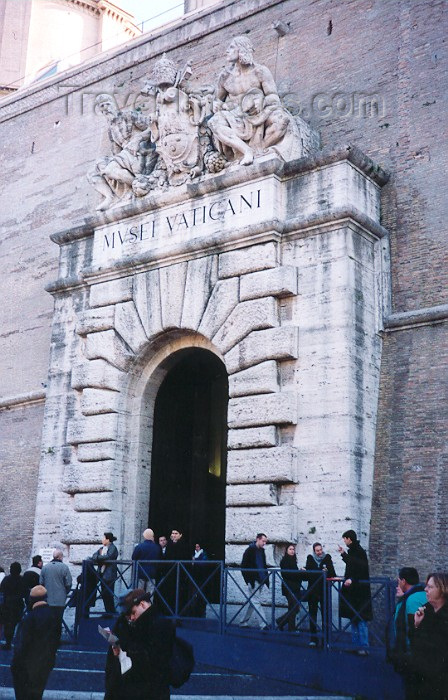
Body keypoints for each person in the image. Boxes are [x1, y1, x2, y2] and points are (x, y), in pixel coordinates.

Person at [209, 35, 300, 165]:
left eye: (231, 47)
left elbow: (273, 96)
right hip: (234, 114)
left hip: (258, 112)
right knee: (214, 123)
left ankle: (260, 150)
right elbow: (217, 100)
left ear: (241, 50)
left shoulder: (260, 71)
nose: (227, 51)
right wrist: (216, 105)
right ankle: (246, 151)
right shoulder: (225, 77)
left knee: (282, 121)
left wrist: (261, 102)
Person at [105, 588, 175, 699]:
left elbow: (156, 663)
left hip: (147, 692)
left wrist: (126, 649)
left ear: (142, 605)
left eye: (133, 613)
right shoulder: (124, 623)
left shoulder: (160, 626)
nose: (131, 618)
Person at [11, 585, 61, 700]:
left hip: (27, 664)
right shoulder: (54, 616)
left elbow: (22, 645)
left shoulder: (29, 619)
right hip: (46, 662)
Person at [408, 573, 448, 699]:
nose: (425, 589)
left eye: (430, 587)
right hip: (422, 676)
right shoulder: (426, 610)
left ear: (442, 589)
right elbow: (414, 642)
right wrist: (416, 624)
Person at [338, 529, 372, 654]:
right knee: (355, 617)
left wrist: (352, 579)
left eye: (345, 539)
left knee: (360, 618)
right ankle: (357, 645)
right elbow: (353, 564)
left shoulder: (358, 551)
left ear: (349, 539)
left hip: (358, 590)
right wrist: (343, 554)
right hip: (355, 590)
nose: (344, 541)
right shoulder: (355, 550)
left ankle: (363, 646)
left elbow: (360, 569)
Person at [389, 567, 427, 675]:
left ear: (403, 581)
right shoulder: (421, 595)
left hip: (411, 652)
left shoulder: (411, 600)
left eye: (399, 581)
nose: (398, 584)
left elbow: (411, 626)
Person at [305, 542, 337, 646]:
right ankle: (313, 639)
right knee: (312, 614)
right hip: (313, 590)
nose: (319, 552)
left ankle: (326, 639)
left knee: (325, 615)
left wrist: (326, 571)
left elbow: (332, 573)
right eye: (317, 550)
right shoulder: (310, 558)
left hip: (324, 590)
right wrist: (321, 571)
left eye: (320, 550)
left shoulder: (327, 557)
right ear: (314, 551)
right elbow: (308, 574)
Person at [239, 533, 270, 630]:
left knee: (252, 602)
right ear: (257, 539)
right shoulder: (249, 550)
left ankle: (243, 621)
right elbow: (243, 566)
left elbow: (264, 565)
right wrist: (248, 580)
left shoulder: (262, 551)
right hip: (253, 580)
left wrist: (266, 580)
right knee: (255, 601)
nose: (264, 543)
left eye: (265, 541)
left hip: (261, 580)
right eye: (263, 541)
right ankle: (263, 624)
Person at [40, 548, 72, 631]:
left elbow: (41, 583)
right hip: (60, 599)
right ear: (60, 557)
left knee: (47, 622)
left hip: (47, 599)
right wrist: (65, 592)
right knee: (58, 622)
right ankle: (56, 640)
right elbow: (68, 583)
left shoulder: (45, 568)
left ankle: (48, 640)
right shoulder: (64, 567)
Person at [276, 543, 303, 632]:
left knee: (293, 607)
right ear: (286, 551)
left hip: (294, 587)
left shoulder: (293, 560)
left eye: (293, 549)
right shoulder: (284, 561)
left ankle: (282, 622)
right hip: (289, 587)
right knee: (294, 607)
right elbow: (286, 574)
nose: (292, 551)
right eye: (290, 549)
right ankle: (289, 627)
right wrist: (298, 573)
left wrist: (298, 572)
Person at [0, 562, 26, 650]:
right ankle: (16, 642)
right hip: (18, 604)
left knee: (7, 624)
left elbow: (2, 590)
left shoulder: (7, 579)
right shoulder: (22, 580)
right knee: (16, 623)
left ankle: (8, 642)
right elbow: (25, 593)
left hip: (7, 604)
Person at [91, 532, 119, 615]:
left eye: (103, 538)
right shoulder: (102, 548)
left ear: (107, 539)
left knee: (109, 594)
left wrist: (98, 558)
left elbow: (108, 557)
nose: (102, 540)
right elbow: (94, 555)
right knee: (104, 595)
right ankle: (108, 612)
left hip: (109, 575)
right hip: (102, 575)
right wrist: (99, 558)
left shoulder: (113, 548)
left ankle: (111, 612)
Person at [132, 528, 161, 594]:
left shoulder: (139, 546)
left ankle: (138, 604)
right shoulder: (157, 547)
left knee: (139, 593)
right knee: (150, 593)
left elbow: (134, 558)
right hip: (152, 572)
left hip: (141, 572)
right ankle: (149, 604)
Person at [188, 543, 209, 618]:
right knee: (193, 595)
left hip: (201, 577)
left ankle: (201, 613)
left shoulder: (203, 554)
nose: (197, 548)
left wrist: (195, 560)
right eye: (195, 546)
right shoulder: (193, 553)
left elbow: (204, 563)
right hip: (193, 577)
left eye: (198, 546)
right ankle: (193, 613)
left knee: (201, 595)